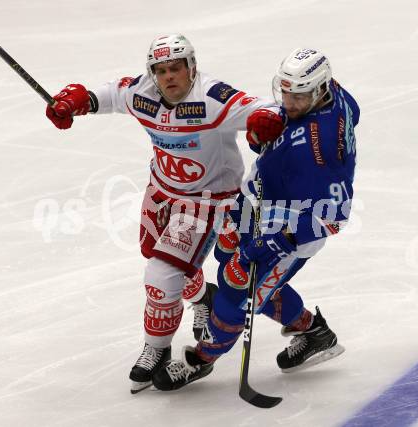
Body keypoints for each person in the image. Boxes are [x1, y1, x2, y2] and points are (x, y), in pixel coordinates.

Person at [45, 34, 285, 393]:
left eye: (176, 68)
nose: (169, 77)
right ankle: (203, 297)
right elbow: (112, 93)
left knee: (161, 276)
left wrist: (265, 117)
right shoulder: (144, 93)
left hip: (205, 201)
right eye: (161, 70)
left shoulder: (211, 98)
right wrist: (78, 101)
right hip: (161, 190)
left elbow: (256, 106)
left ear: (191, 67)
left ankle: (155, 350)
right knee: (156, 257)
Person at [151, 47, 360, 391]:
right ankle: (312, 331)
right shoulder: (333, 94)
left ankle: (201, 360)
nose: (289, 103)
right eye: (286, 92)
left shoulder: (321, 146)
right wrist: (262, 137)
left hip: (289, 231)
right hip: (256, 201)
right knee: (226, 261)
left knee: (237, 296)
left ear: (319, 90)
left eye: (299, 96)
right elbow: (332, 116)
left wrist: (282, 240)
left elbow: (336, 216)